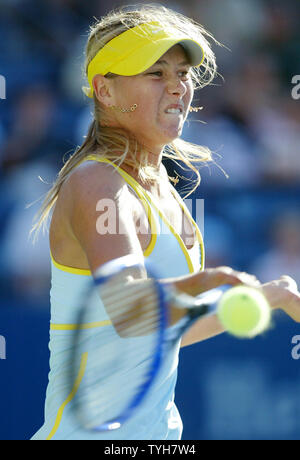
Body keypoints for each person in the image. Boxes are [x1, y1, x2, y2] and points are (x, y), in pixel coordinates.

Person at [30, 4, 300, 441]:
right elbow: (131, 312)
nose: (177, 87)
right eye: (156, 73)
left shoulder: (166, 192)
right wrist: (204, 282)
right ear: (106, 91)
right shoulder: (97, 181)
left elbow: (169, 330)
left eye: (182, 73)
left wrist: (270, 295)